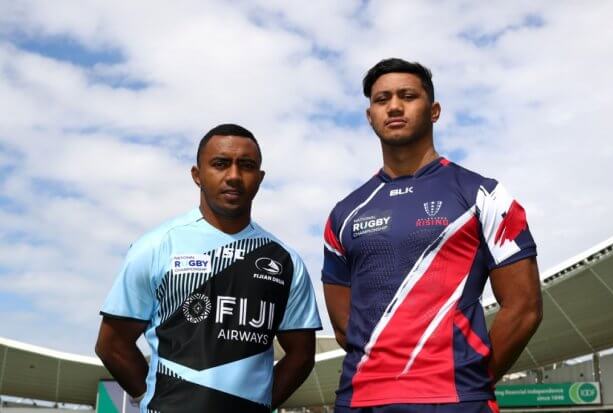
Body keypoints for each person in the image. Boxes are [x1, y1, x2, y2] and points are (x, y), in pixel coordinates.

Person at [322, 59, 542, 413]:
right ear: (369, 116)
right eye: (382, 100)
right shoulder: (344, 213)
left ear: (434, 110)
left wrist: (469, 380)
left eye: (407, 96)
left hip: (456, 401)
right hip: (360, 400)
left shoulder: (484, 195)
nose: (394, 106)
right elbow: (346, 326)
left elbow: (525, 307)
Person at [96, 123, 322, 412]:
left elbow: (302, 355)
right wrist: (158, 397)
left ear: (260, 177)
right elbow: (112, 344)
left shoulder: (286, 261)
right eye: (220, 164)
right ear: (197, 175)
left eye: (247, 166)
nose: (234, 176)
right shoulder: (156, 246)